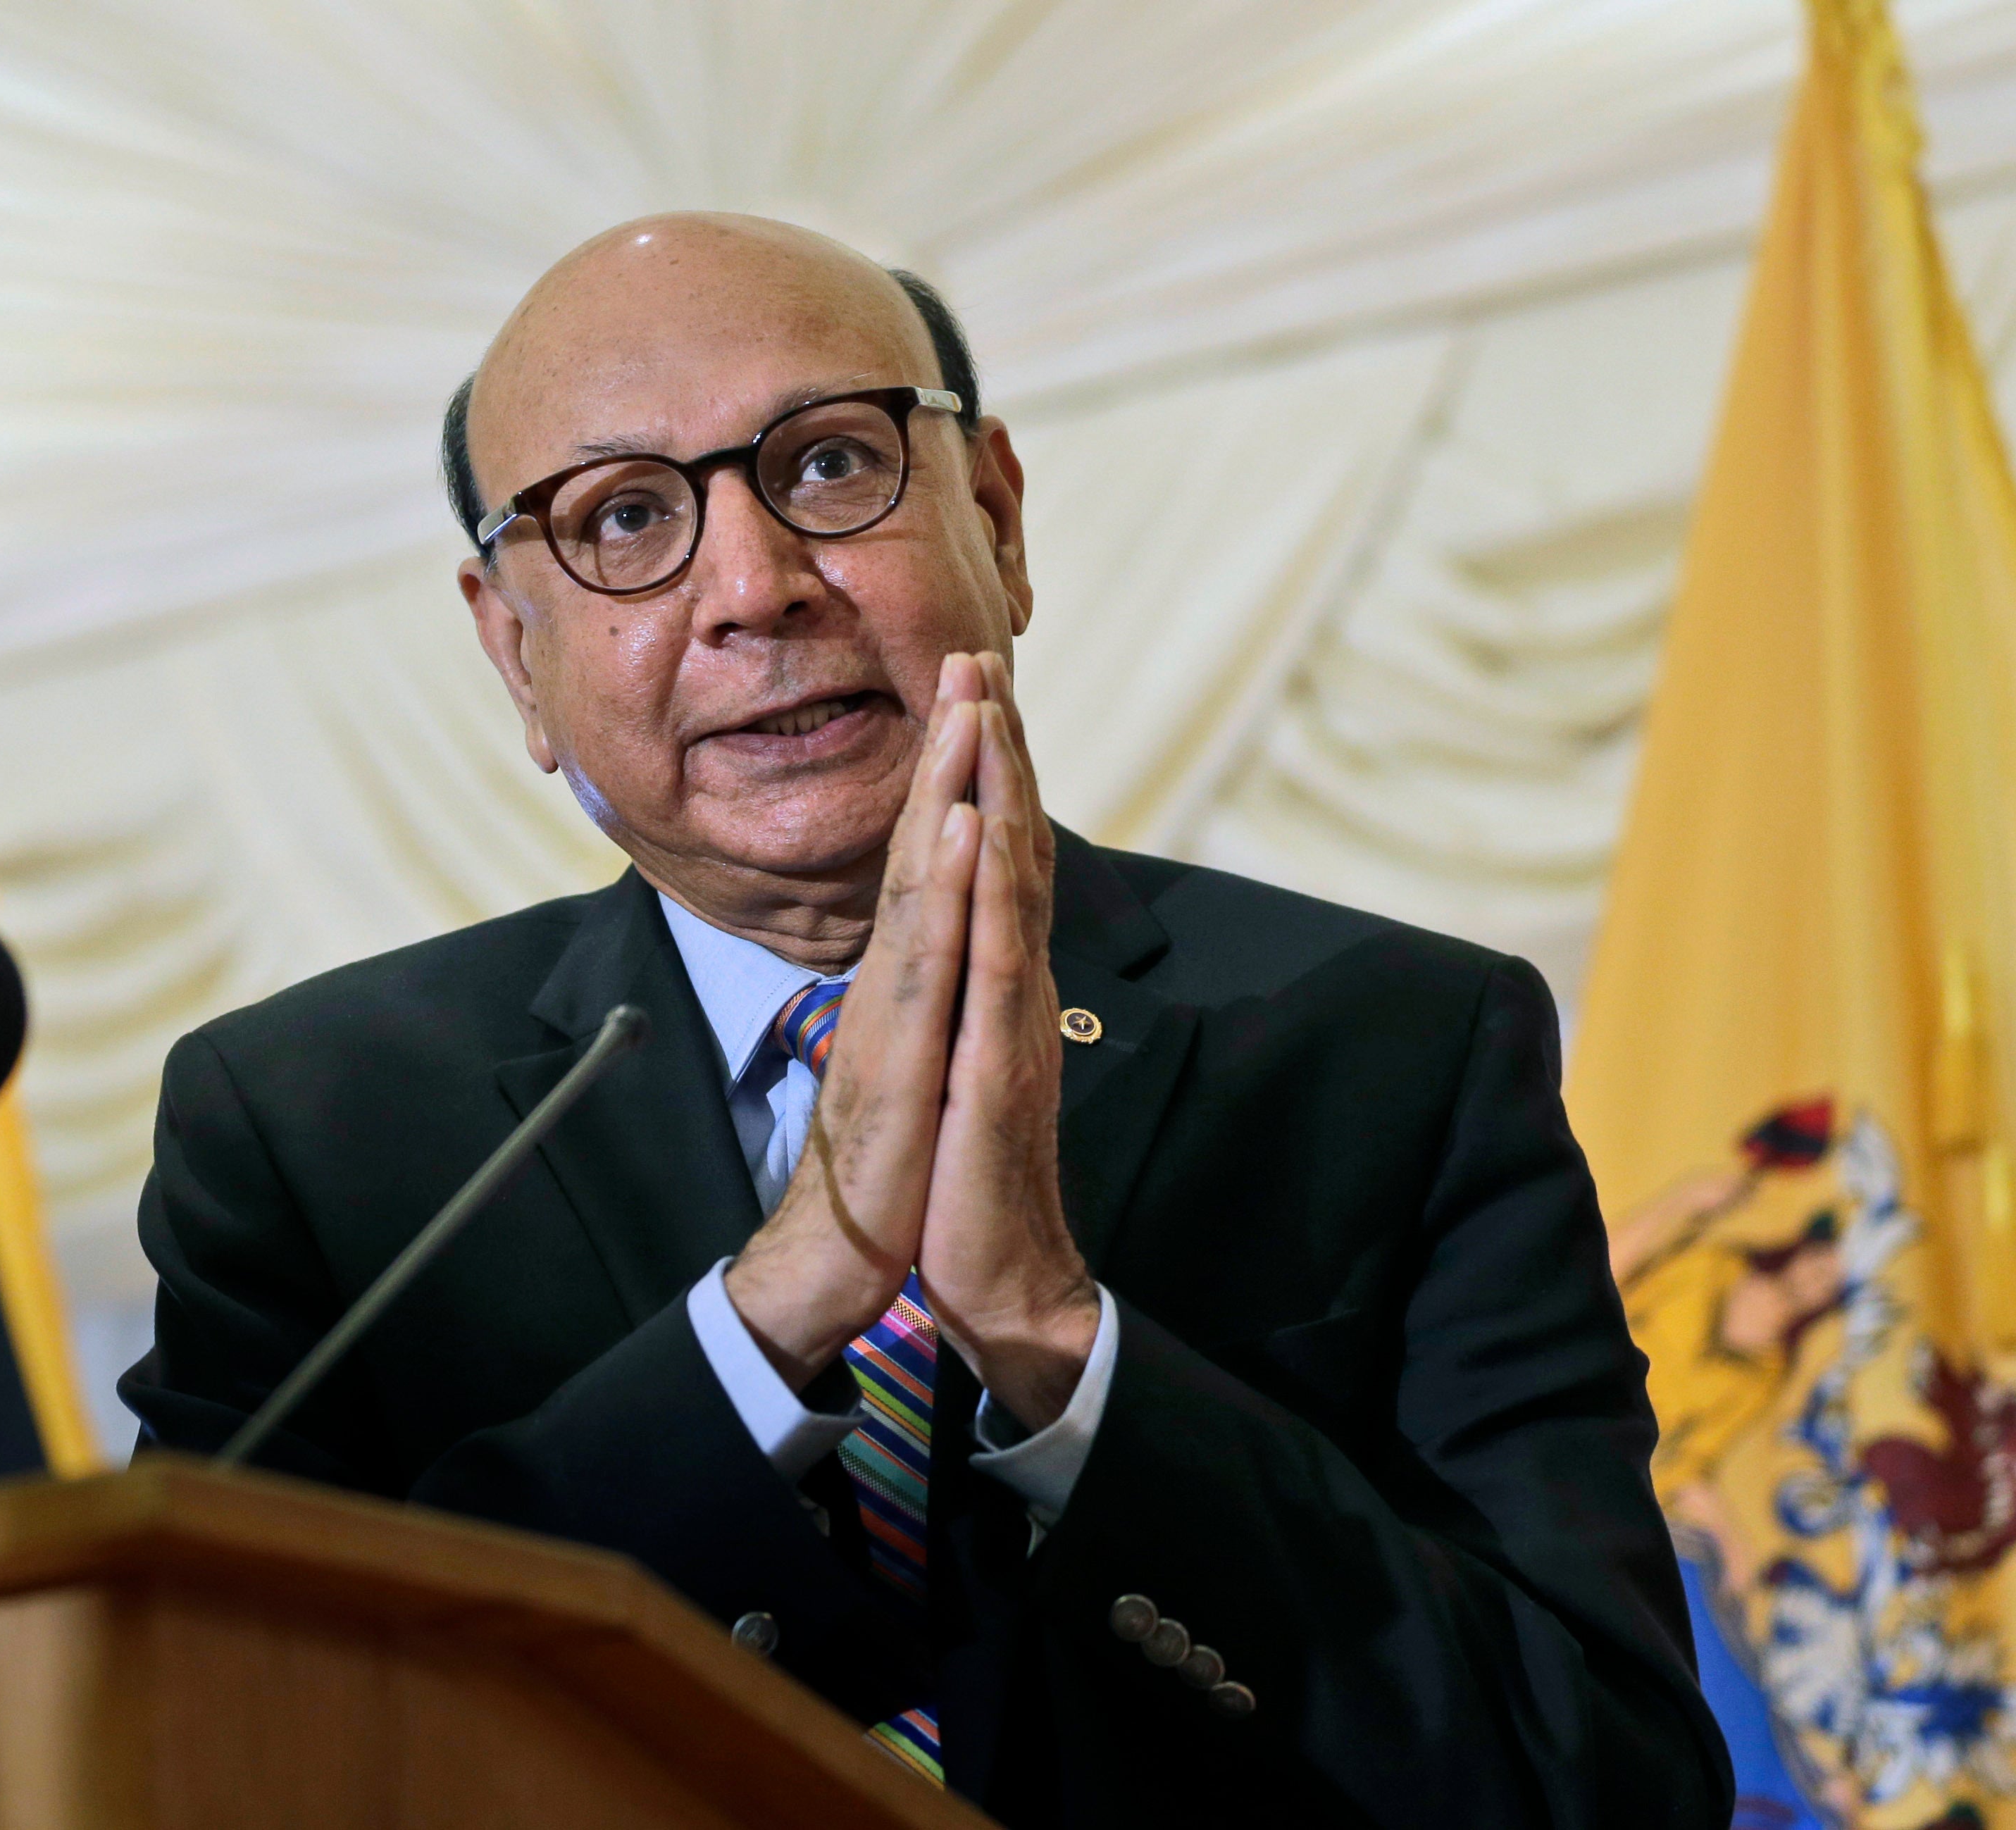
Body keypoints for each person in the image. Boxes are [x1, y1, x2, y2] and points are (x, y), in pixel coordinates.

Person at [120, 213, 1731, 1826]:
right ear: (513, 656)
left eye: (826, 468)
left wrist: (1054, 1339)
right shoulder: (309, 1134)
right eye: (621, 519)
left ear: (998, 523)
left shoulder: (1391, 1045)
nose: (752, 589)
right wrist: (774, 1309)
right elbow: (209, 1755)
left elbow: (1597, 1778)